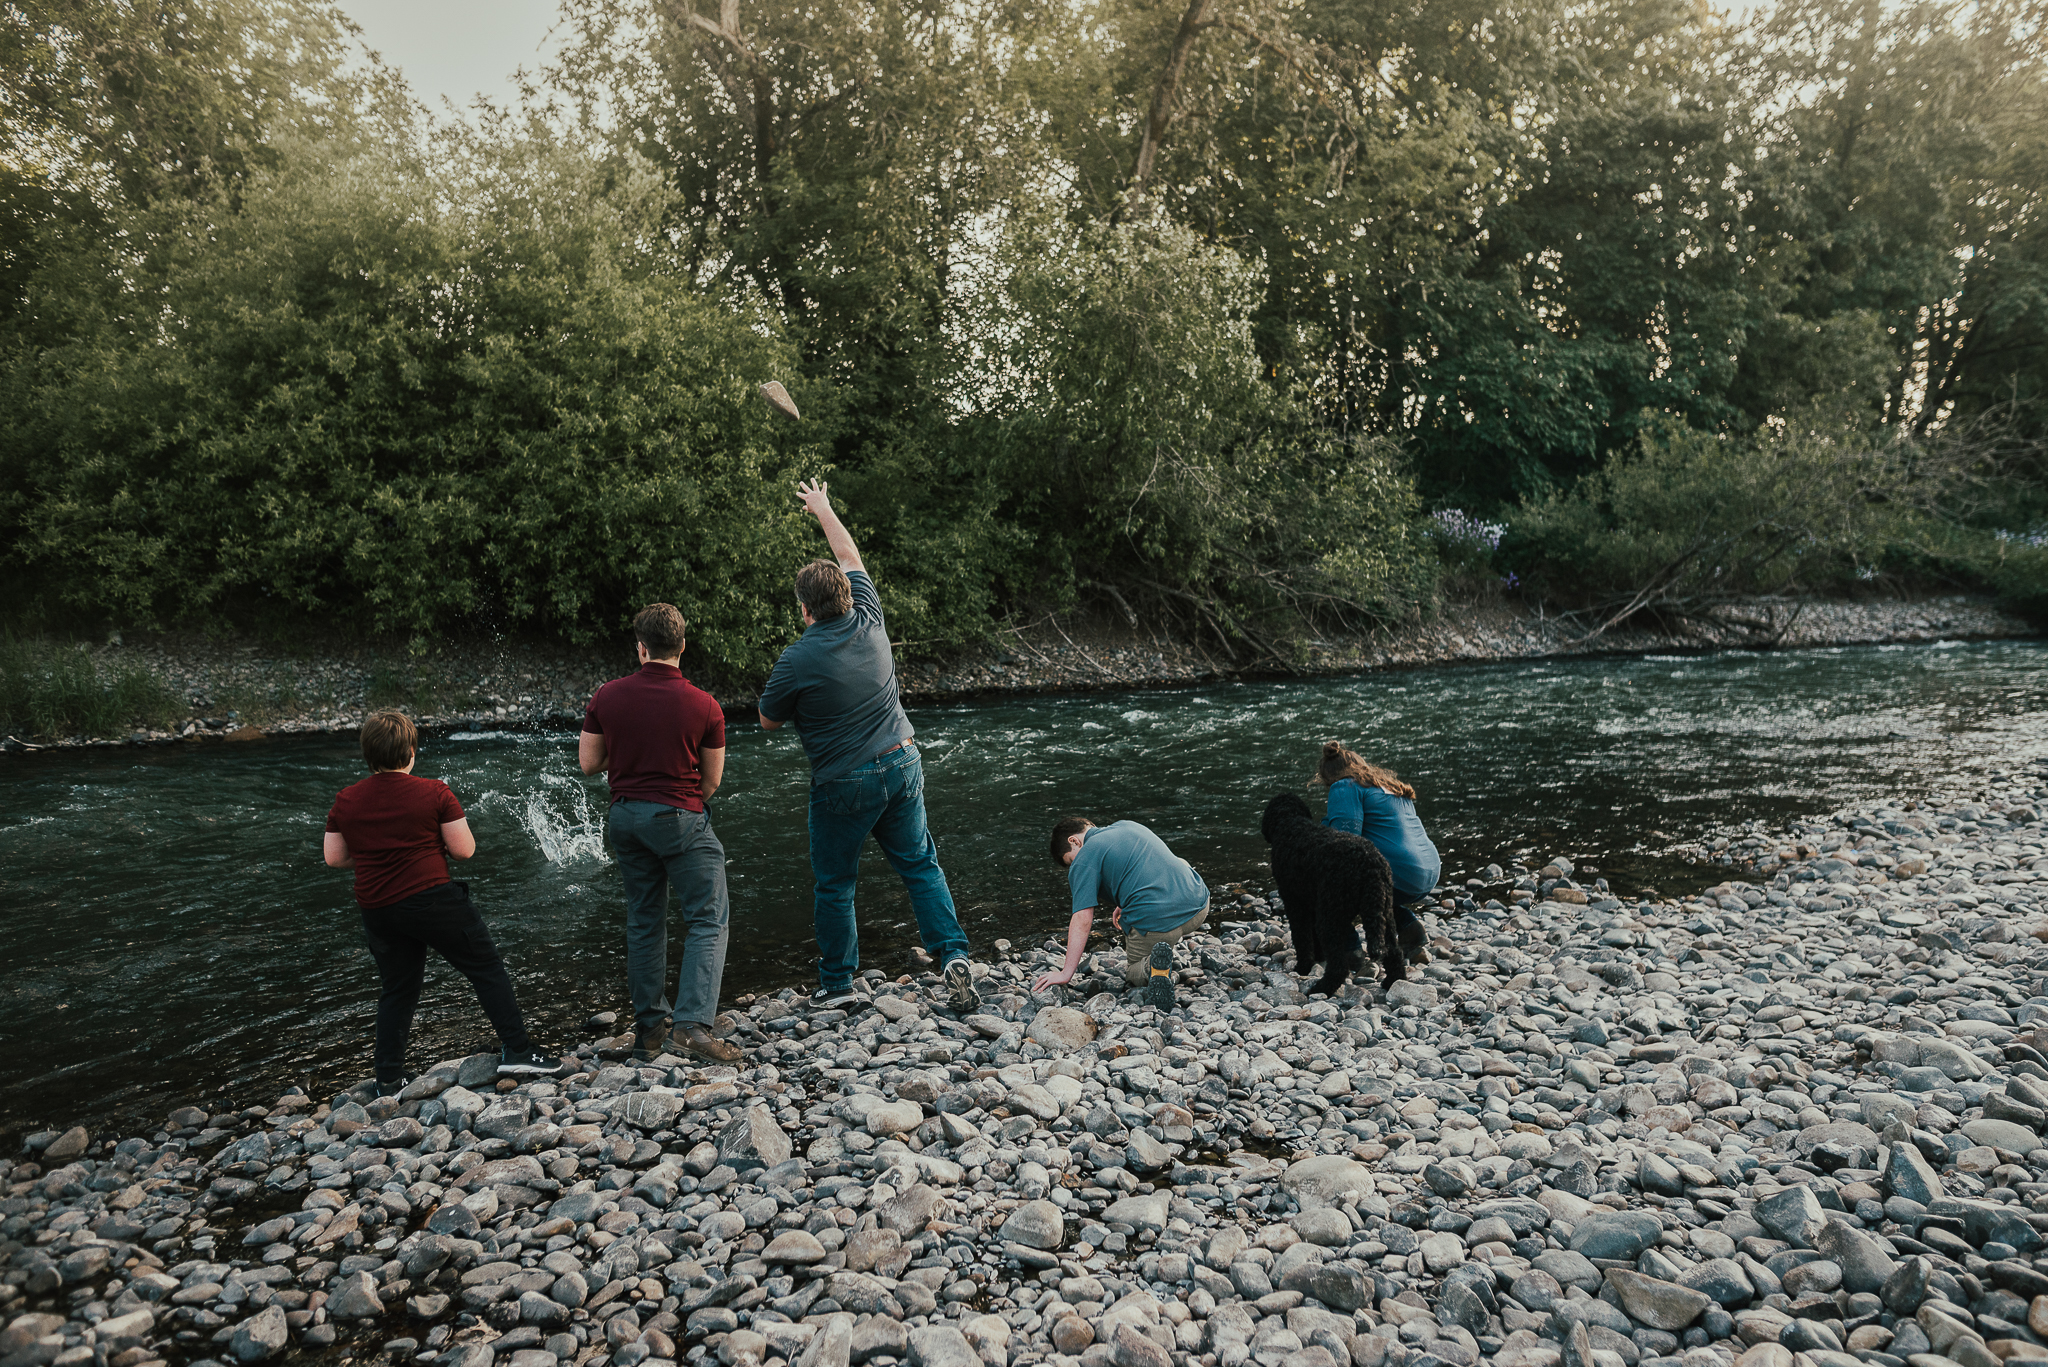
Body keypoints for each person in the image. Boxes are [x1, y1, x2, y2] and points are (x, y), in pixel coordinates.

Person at [757, 479, 980, 1012]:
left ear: (805, 610)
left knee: (836, 884)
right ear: (848, 595)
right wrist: (822, 507)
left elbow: (767, 721)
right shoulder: (870, 617)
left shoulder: (796, 659)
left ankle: (838, 984)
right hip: (902, 759)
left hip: (845, 781)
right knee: (920, 864)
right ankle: (953, 955)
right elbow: (849, 554)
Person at [324, 711, 560, 1095]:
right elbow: (464, 850)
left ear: (367, 754)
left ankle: (388, 1078)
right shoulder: (435, 792)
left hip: (378, 908)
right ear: (411, 751)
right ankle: (518, 1049)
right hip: (432, 900)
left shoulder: (346, 800)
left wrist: (378, 855)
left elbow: (335, 857)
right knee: (485, 968)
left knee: (397, 988)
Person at [580, 603, 741, 1064]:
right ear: (682, 646)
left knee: (644, 920)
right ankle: (690, 1027)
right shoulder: (704, 705)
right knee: (708, 917)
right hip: (679, 817)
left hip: (625, 818)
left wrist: (631, 752)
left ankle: (650, 1030)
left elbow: (589, 763)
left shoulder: (607, 696)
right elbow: (711, 781)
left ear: (641, 648)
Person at [1034, 817, 1209, 1011]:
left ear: (1074, 841)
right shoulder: (1128, 825)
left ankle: (1153, 967)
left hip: (1161, 924)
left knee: (1133, 972)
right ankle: (1163, 954)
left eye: (1070, 860)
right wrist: (1124, 901)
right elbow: (1154, 865)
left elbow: (1082, 918)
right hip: (1199, 904)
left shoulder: (1085, 856)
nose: (1074, 864)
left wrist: (1066, 973)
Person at [1313, 740, 1438, 960]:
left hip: (1400, 874)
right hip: (1428, 871)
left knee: (1328, 879)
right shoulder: (1391, 786)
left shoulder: (1344, 786)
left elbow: (1345, 840)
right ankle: (1409, 928)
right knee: (1369, 883)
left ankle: (1348, 950)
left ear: (1328, 777)